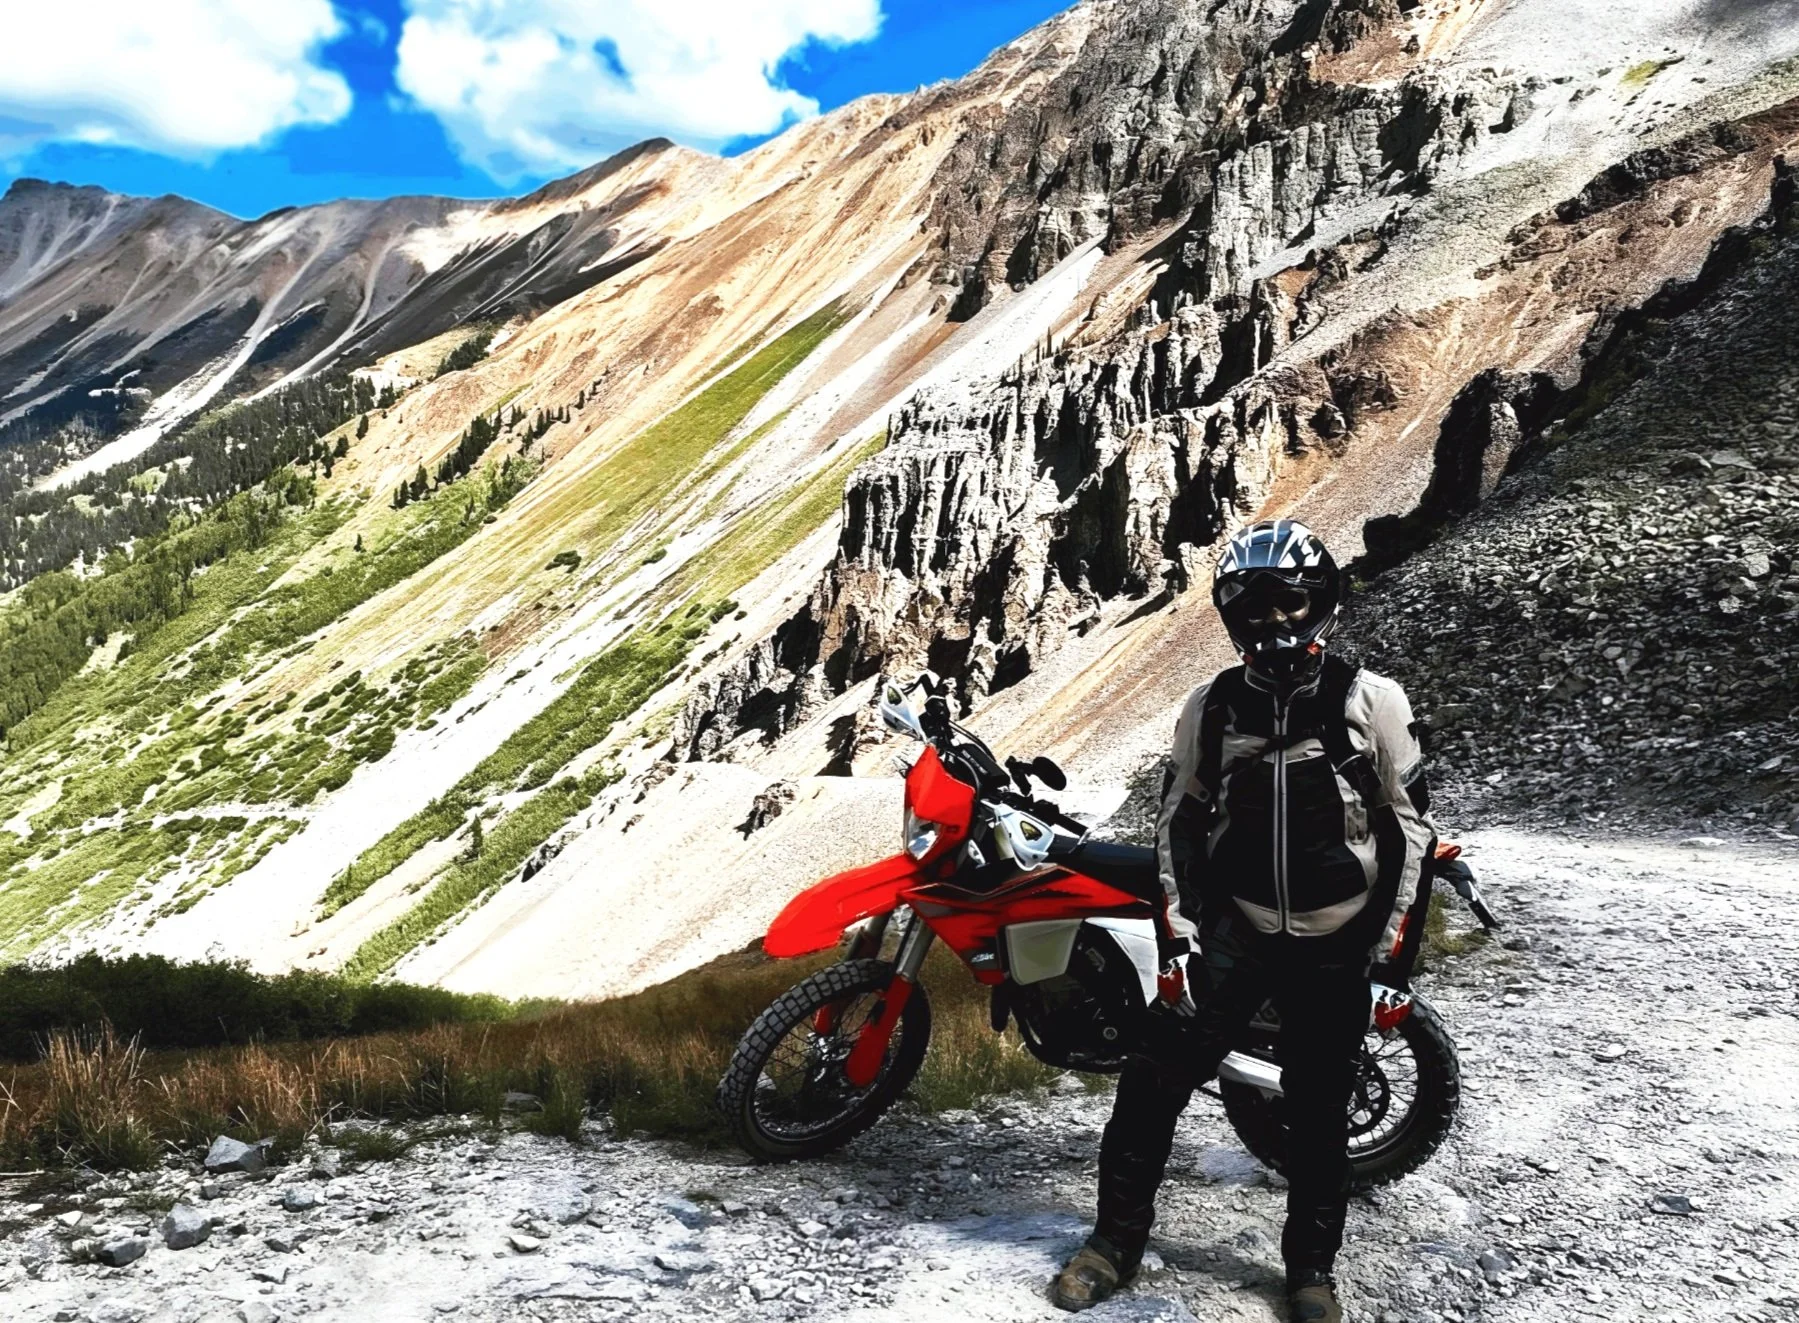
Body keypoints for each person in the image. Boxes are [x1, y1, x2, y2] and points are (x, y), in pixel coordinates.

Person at [1052, 518, 1436, 1323]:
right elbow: (1178, 826)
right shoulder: (1212, 706)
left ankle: (1309, 1275)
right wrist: (1180, 940)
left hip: (1337, 942)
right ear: (1231, 617)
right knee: (1150, 1086)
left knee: (1319, 1112)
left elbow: (1410, 832)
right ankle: (1110, 1245)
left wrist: (1386, 963)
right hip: (1234, 934)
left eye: (1288, 600)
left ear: (1320, 598)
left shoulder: (1372, 700)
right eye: (1253, 608)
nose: (1273, 620)